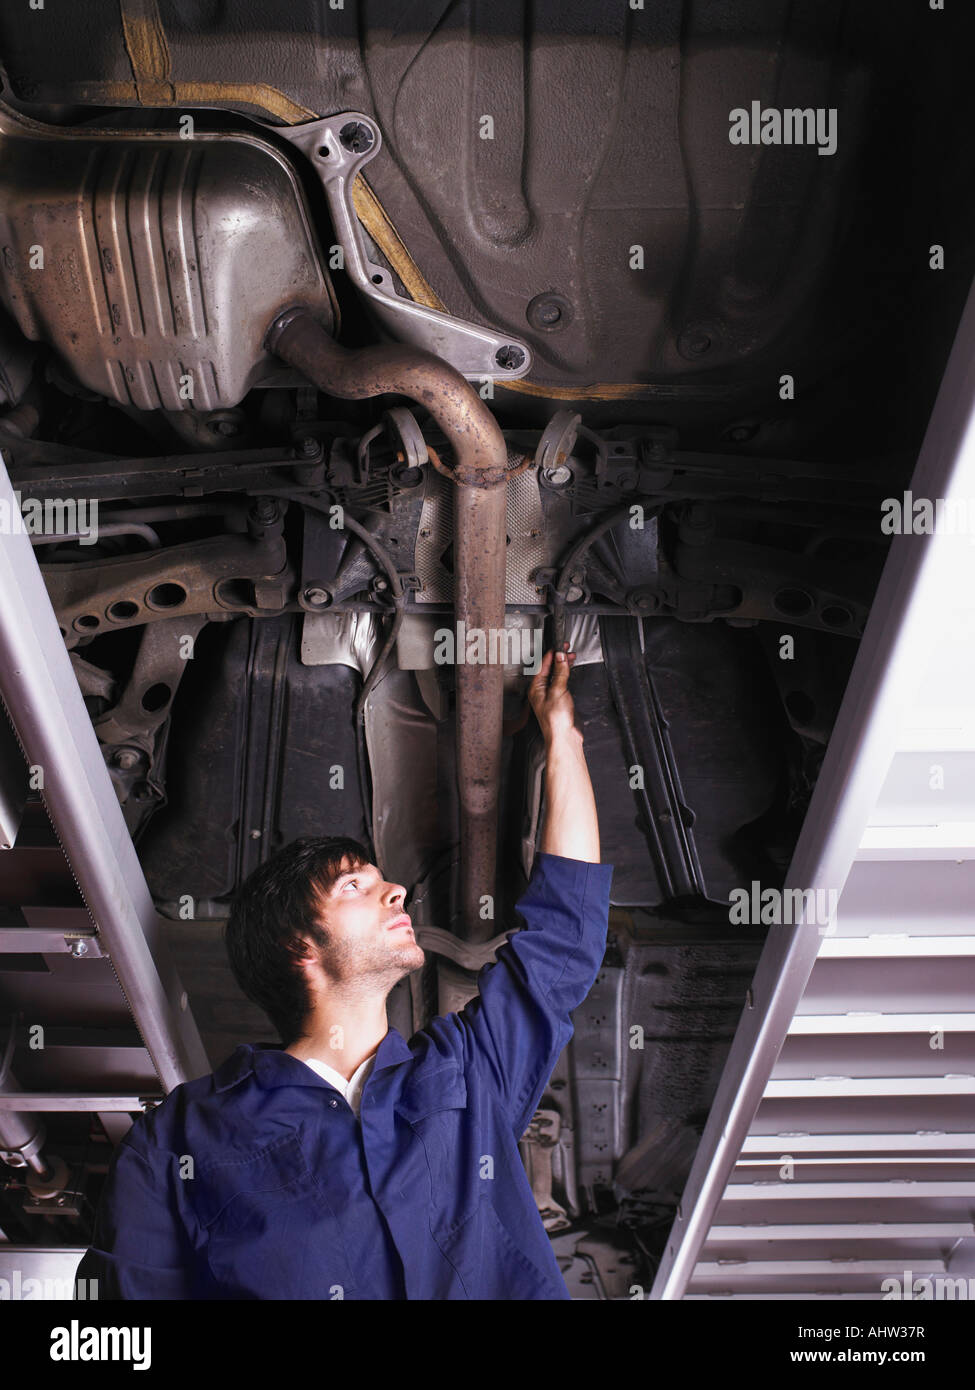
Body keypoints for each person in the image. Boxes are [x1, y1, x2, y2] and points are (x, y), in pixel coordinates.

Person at [76, 644, 613, 1299]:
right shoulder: (180, 1139)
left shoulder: (468, 1072)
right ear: (299, 944)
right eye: (357, 886)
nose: (398, 894)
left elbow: (563, 941)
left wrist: (563, 737)